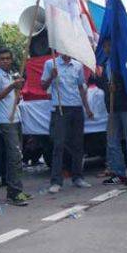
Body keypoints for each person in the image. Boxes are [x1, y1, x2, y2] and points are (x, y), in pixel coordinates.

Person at [41, 54, 94, 193]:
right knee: (59, 145)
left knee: (78, 144)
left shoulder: (78, 65)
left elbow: (81, 88)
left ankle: (78, 177)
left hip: (76, 108)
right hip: (60, 108)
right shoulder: (50, 64)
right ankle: (56, 181)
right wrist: (51, 77)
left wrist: (87, 108)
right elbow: (42, 86)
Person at [95, 40, 127, 186]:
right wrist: (99, 78)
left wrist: (118, 86)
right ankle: (118, 173)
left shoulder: (126, 61)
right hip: (112, 107)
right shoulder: (104, 64)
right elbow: (101, 84)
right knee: (112, 141)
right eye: (105, 46)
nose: (107, 48)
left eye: (109, 45)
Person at [0, 48, 31, 206]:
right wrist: (13, 86)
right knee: (14, 157)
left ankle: (16, 190)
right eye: (2, 59)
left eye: (8, 58)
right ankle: (13, 193)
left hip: (16, 119)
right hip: (6, 121)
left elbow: (11, 99)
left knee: (18, 156)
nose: (5, 61)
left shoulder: (9, 76)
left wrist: (16, 92)